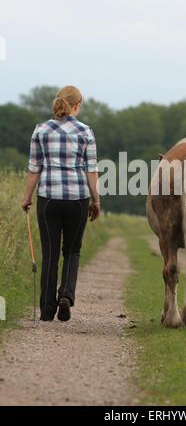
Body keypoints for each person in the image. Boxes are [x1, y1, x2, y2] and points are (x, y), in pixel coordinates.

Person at [22, 85, 100, 322]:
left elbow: (34, 168)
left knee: (50, 253)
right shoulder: (85, 131)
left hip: (48, 199)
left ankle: (47, 310)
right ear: (77, 105)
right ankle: (65, 295)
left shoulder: (41, 130)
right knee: (72, 250)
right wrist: (96, 200)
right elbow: (91, 170)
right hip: (77, 199)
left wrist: (27, 197)